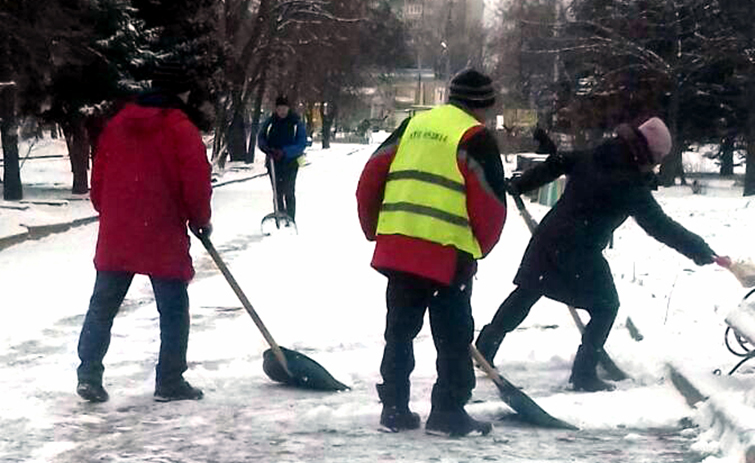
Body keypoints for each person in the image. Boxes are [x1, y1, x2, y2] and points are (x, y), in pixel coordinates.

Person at [475, 117, 718, 392]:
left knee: (528, 291)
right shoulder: (630, 184)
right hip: (580, 250)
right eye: (658, 158)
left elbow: (559, 162)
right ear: (648, 153)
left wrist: (523, 184)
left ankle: (486, 346)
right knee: (605, 307)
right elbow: (660, 226)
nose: (657, 165)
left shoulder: (596, 155)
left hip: (550, 235)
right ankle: (584, 373)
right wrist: (698, 249)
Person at [356, 69, 508, 436]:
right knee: (453, 337)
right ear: (484, 105)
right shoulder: (475, 137)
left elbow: (370, 178)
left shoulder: (413, 126)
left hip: (399, 250)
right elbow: (491, 205)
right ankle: (448, 412)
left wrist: (375, 229)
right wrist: (479, 249)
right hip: (445, 256)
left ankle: (394, 408)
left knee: (400, 332)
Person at [75, 61, 213, 403]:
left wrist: (113, 212)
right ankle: (169, 380)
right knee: (174, 309)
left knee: (102, 306)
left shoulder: (118, 123)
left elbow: (99, 179)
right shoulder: (181, 128)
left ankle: (89, 375)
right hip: (162, 231)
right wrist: (200, 219)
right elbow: (195, 182)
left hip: (118, 232)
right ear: (180, 92)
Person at [257, 95, 307, 221]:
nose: (282, 111)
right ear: (276, 109)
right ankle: (279, 215)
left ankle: (290, 218)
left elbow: (301, 144)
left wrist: (284, 152)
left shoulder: (296, 123)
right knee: (277, 192)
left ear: (288, 108)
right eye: (279, 109)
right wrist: (267, 149)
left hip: (291, 163)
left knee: (289, 191)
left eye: (284, 108)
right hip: (273, 162)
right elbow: (261, 138)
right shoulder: (270, 122)